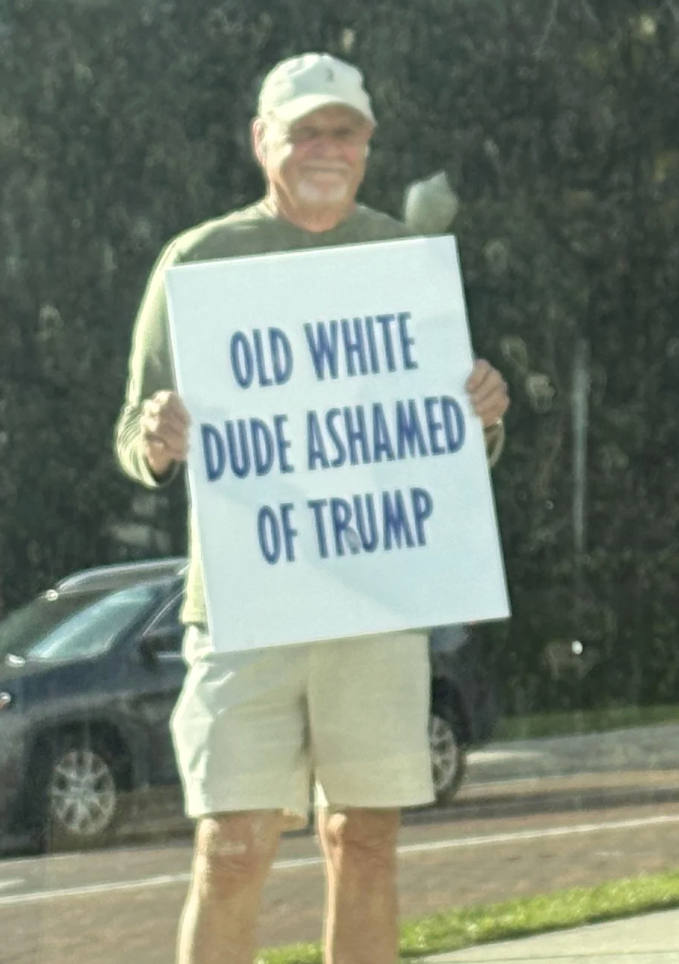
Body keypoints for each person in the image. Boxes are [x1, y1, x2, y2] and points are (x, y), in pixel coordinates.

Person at [115, 52, 509, 964]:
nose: (327, 148)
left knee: (362, 840)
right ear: (263, 141)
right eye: (305, 132)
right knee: (232, 846)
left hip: (376, 600)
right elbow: (134, 433)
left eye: (346, 131)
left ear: (369, 146)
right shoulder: (199, 261)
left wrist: (486, 415)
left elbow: (445, 431)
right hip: (245, 601)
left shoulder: (406, 260)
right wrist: (155, 438)